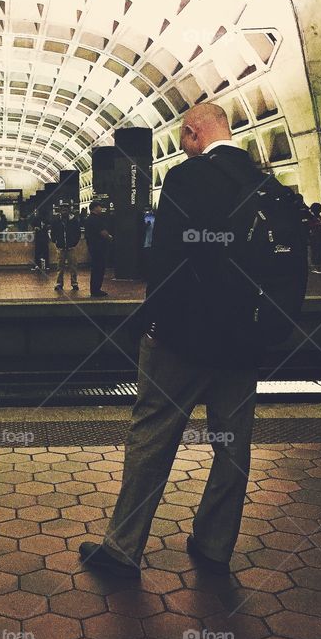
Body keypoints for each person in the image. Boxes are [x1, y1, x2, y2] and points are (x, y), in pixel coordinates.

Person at [79, 102, 268, 578]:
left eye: (184, 141)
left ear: (191, 134)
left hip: (184, 337)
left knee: (152, 436)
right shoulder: (265, 179)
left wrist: (154, 322)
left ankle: (123, 549)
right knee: (232, 445)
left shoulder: (187, 179)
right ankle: (214, 543)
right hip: (244, 337)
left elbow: (166, 260)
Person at [50, 204, 81, 291]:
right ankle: (59, 283)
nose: (64, 211)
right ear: (60, 210)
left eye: (66, 209)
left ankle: (74, 283)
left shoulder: (73, 220)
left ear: (68, 210)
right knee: (60, 266)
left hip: (71, 247)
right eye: (63, 209)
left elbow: (77, 233)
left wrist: (74, 243)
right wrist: (55, 241)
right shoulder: (56, 221)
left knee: (73, 266)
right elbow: (53, 232)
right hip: (61, 247)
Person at [85, 201, 113, 297]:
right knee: (99, 269)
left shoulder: (89, 219)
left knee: (95, 269)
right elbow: (103, 232)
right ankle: (96, 290)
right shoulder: (96, 219)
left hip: (93, 247)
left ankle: (94, 289)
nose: (101, 209)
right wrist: (109, 237)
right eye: (99, 207)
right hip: (99, 247)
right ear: (95, 208)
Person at [307, 202, 321, 274]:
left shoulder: (319, 217)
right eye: (319, 208)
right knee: (316, 252)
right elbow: (311, 226)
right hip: (315, 237)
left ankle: (317, 267)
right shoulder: (311, 217)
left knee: (320, 252)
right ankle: (315, 268)